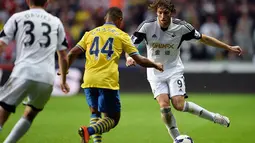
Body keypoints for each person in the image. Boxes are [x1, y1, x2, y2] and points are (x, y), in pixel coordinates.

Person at [126, 0, 242, 141]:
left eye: (165, 13)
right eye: (159, 13)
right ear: (156, 13)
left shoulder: (181, 27)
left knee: (178, 105)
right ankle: (177, 139)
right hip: (154, 71)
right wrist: (129, 58)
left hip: (173, 69)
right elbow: (130, 45)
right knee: (164, 107)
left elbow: (204, 39)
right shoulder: (147, 26)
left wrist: (228, 48)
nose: (162, 16)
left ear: (171, 13)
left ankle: (214, 117)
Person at [65, 7, 163, 143]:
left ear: (106, 19)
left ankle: (94, 140)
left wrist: (65, 71)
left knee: (95, 113)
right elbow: (139, 59)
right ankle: (89, 131)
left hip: (88, 79)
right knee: (112, 119)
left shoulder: (90, 33)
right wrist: (155, 65)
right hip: (107, 80)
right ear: (120, 20)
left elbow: (72, 53)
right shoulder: (121, 35)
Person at [0, 0, 70, 142]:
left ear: (27, 1)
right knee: (30, 113)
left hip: (23, 72)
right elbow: (63, 56)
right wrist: (62, 80)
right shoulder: (55, 21)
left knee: (3, 110)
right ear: (47, 2)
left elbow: (1, 43)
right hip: (47, 77)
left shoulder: (17, 17)